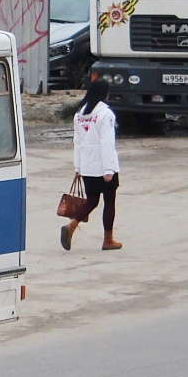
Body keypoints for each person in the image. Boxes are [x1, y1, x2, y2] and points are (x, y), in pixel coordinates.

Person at [61, 78, 122, 251]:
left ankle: (71, 226)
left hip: (88, 166)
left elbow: (77, 142)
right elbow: (107, 143)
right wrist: (109, 169)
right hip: (103, 166)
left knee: (92, 200)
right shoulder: (106, 114)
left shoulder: (79, 115)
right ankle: (108, 239)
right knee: (109, 201)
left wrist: (78, 167)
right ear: (104, 93)